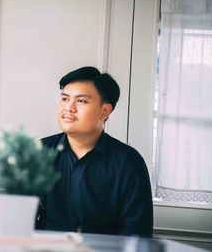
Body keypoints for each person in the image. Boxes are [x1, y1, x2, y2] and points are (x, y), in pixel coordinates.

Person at [36, 66, 153, 237]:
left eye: (81, 101)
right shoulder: (39, 153)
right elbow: (21, 222)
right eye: (65, 99)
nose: (69, 108)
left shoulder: (129, 163)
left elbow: (137, 234)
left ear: (105, 111)